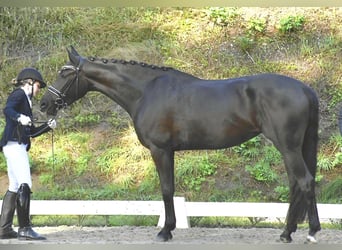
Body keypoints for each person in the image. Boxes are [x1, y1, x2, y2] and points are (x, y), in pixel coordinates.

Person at [0, 68, 56, 240]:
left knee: (15, 186)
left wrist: (47, 126)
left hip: (16, 145)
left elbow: (31, 132)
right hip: (14, 145)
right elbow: (7, 109)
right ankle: (25, 228)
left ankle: (4, 229)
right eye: (38, 86)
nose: (39, 90)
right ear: (29, 83)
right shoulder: (19, 94)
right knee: (25, 182)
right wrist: (19, 117)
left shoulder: (27, 101)